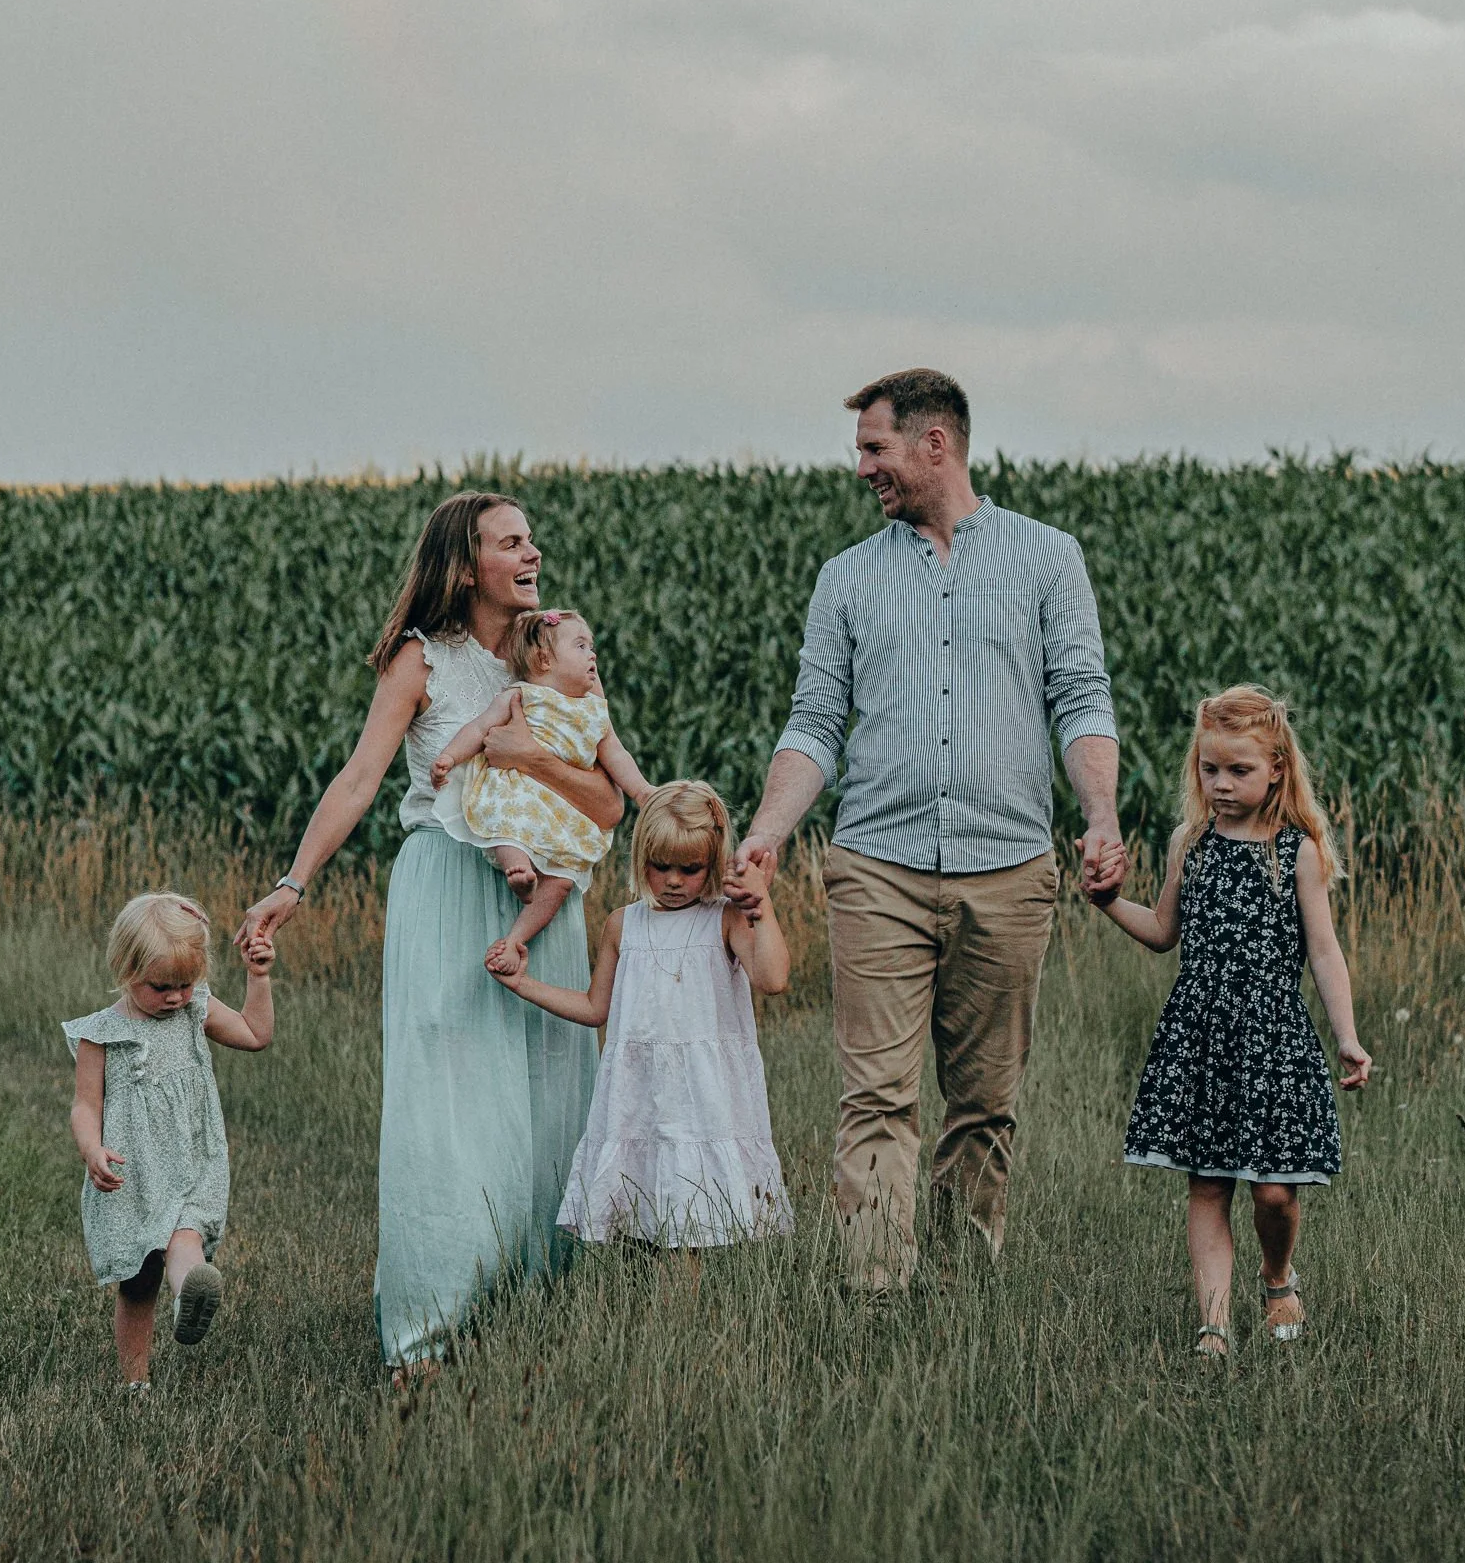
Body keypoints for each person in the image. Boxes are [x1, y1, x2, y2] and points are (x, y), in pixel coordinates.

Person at [734, 367, 1124, 1290]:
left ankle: (960, 1293)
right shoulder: (847, 579)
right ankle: (875, 1298)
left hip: (1011, 868)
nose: (862, 467)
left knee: (984, 1104)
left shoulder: (1046, 558)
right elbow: (815, 722)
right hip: (878, 865)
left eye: (875, 448)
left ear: (933, 444)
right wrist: (769, 831)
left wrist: (1101, 815)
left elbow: (1080, 698)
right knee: (875, 1094)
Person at [236, 492, 622, 1383]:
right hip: (447, 888)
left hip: (545, 910)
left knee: (550, 1098)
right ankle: (429, 1335)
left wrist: (526, 757)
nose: (533, 552)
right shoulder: (423, 662)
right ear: (465, 564)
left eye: (532, 539)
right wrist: (294, 884)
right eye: (511, 542)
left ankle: (535, 1320)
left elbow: (606, 806)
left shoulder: (559, 664)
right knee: (447, 1112)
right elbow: (362, 777)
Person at [1083, 686, 1372, 1354]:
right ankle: (1213, 1326)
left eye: (1239, 770)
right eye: (1210, 768)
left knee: (1273, 1192)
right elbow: (1161, 931)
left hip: (1272, 1039)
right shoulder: (1192, 842)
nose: (1221, 783)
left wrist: (1348, 1038)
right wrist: (1106, 903)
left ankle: (1277, 1277)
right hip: (1202, 1037)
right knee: (1208, 1182)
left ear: (1276, 767)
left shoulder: (1297, 852)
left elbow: (1324, 954)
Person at [491, 781, 794, 1250]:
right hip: (640, 1094)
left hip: (702, 1097)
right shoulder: (622, 924)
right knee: (638, 1223)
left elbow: (772, 978)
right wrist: (522, 984)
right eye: (660, 867)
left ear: (713, 863)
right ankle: (645, 1311)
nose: (674, 880)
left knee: (687, 1227)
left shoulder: (725, 917)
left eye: (690, 869)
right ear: (640, 859)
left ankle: (676, 1317)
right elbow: (595, 1009)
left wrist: (762, 906)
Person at [64, 892, 274, 1393]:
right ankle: (135, 1384)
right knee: (138, 1284)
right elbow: (85, 1106)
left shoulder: (195, 1010)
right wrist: (91, 1149)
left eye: (186, 983)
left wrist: (258, 978)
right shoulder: (102, 1034)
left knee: (186, 1239)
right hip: (132, 1174)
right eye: (162, 987)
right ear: (125, 968)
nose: (176, 997)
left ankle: (189, 1298)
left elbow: (254, 1033)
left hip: (190, 1162)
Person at [427, 607, 651, 974]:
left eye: (591, 646)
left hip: (560, 810)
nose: (592, 655)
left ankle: (517, 938)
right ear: (544, 658)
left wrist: (642, 792)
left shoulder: (594, 709)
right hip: (519, 794)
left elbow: (617, 756)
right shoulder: (521, 696)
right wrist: (450, 757)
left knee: (563, 878)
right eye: (581, 646)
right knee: (503, 818)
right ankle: (516, 867)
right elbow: (479, 728)